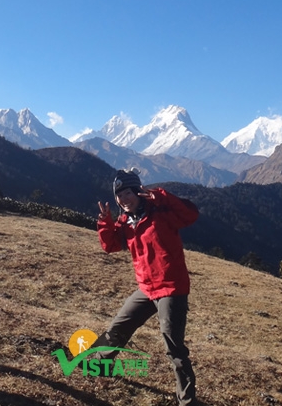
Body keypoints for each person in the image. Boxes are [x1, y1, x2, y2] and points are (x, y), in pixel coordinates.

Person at [92, 168, 200, 406]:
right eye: (119, 195)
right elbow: (111, 246)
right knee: (119, 326)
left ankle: (187, 400)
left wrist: (162, 196)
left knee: (174, 347)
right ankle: (98, 366)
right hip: (146, 288)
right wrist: (105, 222)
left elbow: (190, 214)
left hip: (171, 289)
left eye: (128, 192)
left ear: (139, 192)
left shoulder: (161, 212)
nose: (124, 199)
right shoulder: (125, 222)